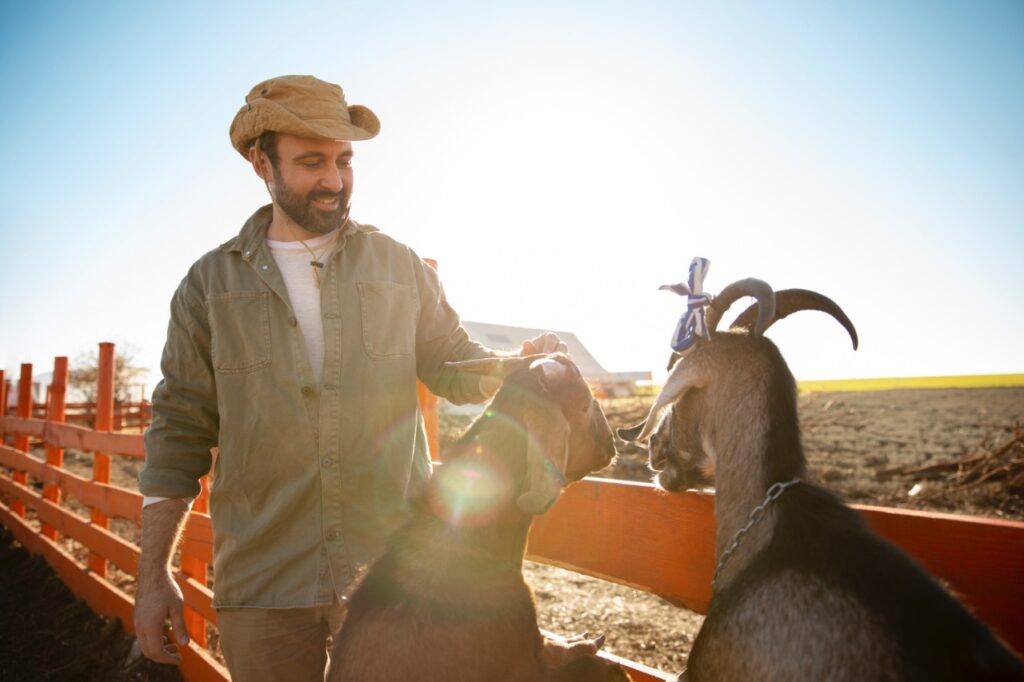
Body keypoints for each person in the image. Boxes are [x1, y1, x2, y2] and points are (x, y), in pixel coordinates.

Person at [134, 74, 566, 680]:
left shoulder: (399, 267)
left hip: (392, 577)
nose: (335, 180)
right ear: (263, 164)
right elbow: (177, 433)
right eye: (311, 162)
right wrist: (154, 577)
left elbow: (452, 363)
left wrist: (512, 366)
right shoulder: (209, 287)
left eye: (344, 160)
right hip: (264, 580)